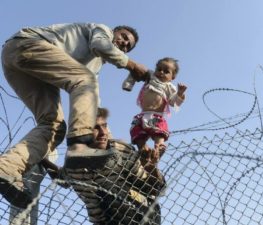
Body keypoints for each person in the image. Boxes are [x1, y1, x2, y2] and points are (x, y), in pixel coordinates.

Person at [0, 22, 148, 209]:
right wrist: (132, 65)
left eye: (128, 46)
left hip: (21, 63)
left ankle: (8, 168)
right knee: (84, 80)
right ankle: (79, 145)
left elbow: (92, 102)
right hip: (28, 44)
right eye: (124, 37)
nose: (124, 44)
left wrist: (107, 139)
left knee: (53, 125)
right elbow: (101, 46)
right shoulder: (101, 31)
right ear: (115, 31)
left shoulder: (93, 66)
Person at [42, 108, 165, 225]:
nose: (103, 133)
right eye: (95, 128)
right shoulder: (74, 162)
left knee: (109, 190)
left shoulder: (121, 151)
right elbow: (62, 179)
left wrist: (151, 168)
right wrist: (41, 158)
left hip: (141, 214)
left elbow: (153, 188)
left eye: (104, 126)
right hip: (104, 221)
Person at [123, 57, 187, 163]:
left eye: (166, 71)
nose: (161, 72)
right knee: (137, 132)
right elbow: (135, 71)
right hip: (142, 115)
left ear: (173, 77)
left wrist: (180, 94)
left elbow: (173, 102)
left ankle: (159, 147)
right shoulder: (150, 77)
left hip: (156, 115)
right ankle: (144, 151)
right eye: (159, 69)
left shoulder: (169, 87)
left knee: (158, 132)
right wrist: (128, 84)